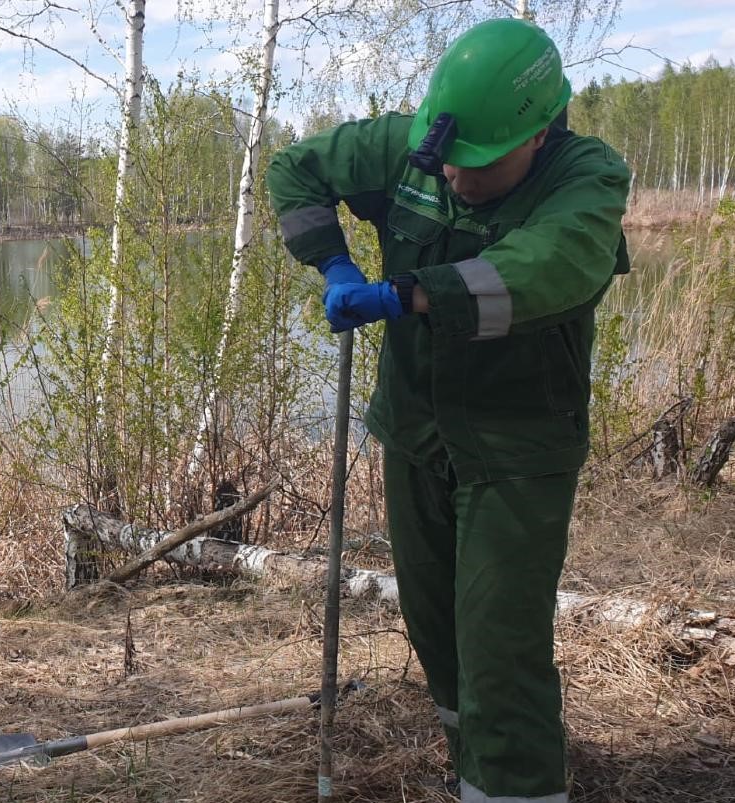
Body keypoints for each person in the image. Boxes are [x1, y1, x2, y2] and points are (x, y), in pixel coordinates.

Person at [266, 18, 631, 803]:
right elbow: (294, 169)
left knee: (499, 645)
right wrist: (331, 258)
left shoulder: (586, 177)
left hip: (514, 447)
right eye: (449, 160)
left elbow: (549, 265)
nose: (456, 179)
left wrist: (409, 292)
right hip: (415, 432)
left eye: (478, 164)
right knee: (437, 631)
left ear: (536, 134)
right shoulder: (416, 149)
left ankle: (518, 786)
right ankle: (473, 772)